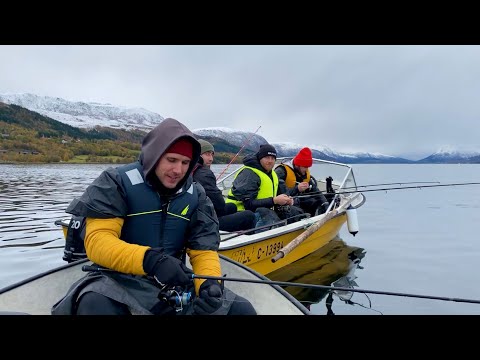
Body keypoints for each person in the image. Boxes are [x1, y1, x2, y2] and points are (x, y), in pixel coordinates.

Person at [51, 118, 256, 315]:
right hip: (117, 279)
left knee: (241, 309)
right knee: (94, 304)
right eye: (171, 160)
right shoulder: (114, 182)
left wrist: (209, 285)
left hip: (173, 283)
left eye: (185, 162)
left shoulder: (197, 194)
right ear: (154, 155)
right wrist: (151, 261)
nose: (178, 170)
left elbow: (203, 251)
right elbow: (98, 243)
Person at [225, 143, 305, 229]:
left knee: (293, 211)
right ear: (260, 158)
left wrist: (287, 200)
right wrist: (274, 201)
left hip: (261, 210)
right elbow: (248, 204)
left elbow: (278, 195)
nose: (270, 161)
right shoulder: (249, 173)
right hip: (241, 214)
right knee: (267, 214)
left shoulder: (272, 174)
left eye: (273, 158)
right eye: (267, 157)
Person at [193, 139, 256, 232]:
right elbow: (220, 205)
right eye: (207, 154)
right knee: (249, 215)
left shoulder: (190, 170)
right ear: (197, 155)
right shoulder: (204, 173)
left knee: (232, 206)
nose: (211, 159)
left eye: (212, 154)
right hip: (204, 224)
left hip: (198, 215)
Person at [275, 147, 329, 217]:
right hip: (284, 204)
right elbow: (277, 193)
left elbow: (315, 190)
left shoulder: (305, 173)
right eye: (305, 167)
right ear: (297, 165)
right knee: (297, 212)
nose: (307, 169)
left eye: (308, 167)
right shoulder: (281, 172)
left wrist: (324, 202)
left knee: (315, 202)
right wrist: (297, 189)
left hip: (299, 200)